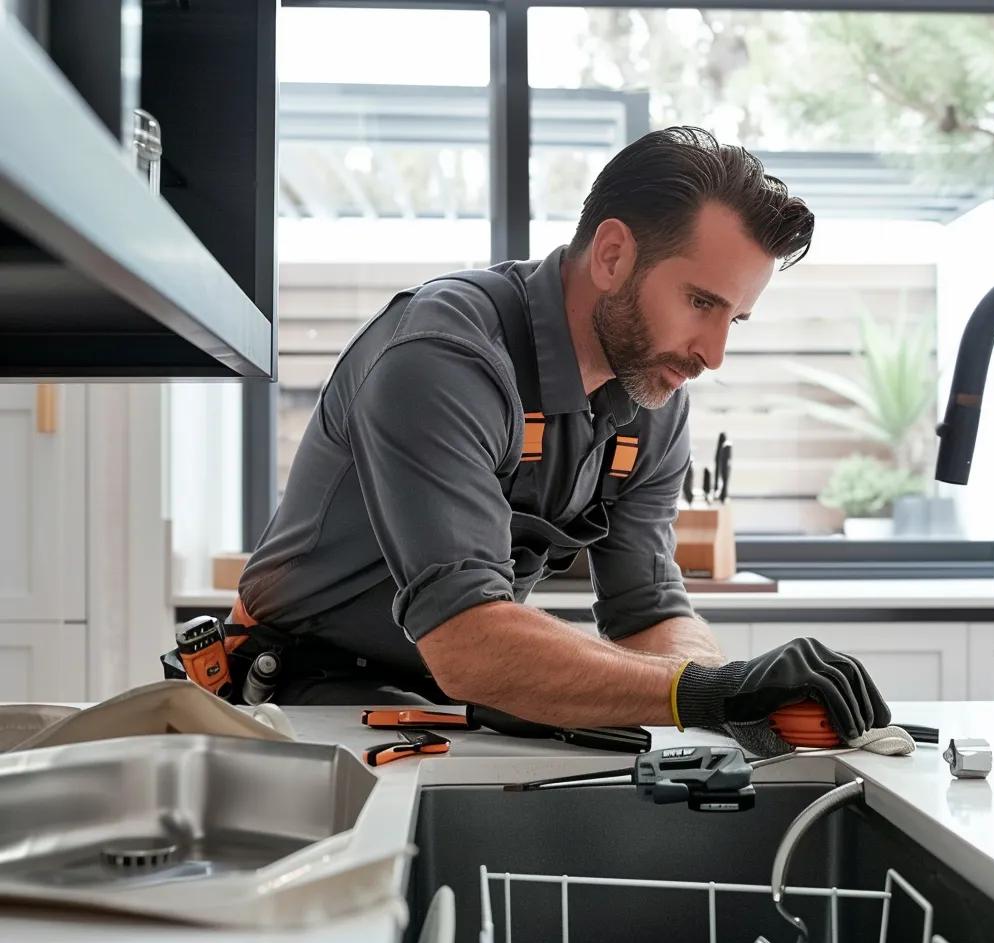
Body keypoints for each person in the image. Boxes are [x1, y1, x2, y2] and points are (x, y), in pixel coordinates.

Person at [231, 126, 890, 754]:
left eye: (734, 319)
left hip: (443, 706)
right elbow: (469, 639)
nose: (713, 355)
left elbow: (648, 609)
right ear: (612, 255)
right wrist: (707, 692)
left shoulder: (651, 399)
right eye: (700, 303)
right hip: (288, 708)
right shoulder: (441, 359)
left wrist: (721, 691)